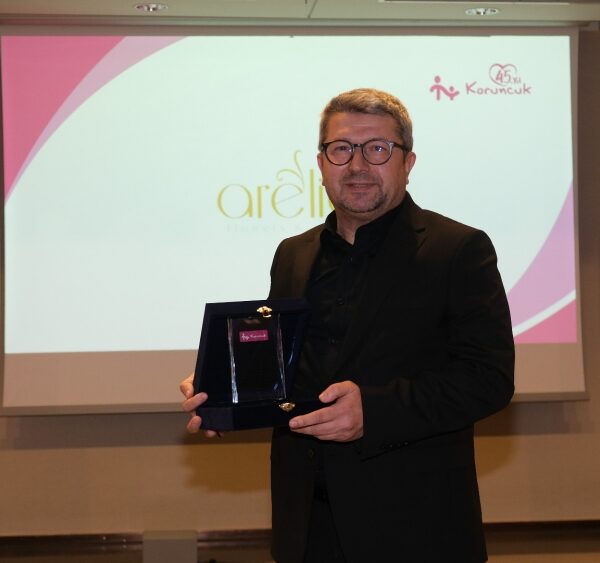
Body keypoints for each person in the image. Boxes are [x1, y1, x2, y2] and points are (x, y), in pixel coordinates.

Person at [181, 88, 515, 563]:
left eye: (377, 148)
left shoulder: (458, 250)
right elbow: (284, 371)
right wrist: (225, 391)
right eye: (341, 149)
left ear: (408, 162)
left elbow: (489, 379)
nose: (357, 165)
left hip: (415, 529)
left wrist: (373, 412)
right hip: (306, 526)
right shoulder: (293, 254)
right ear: (320, 163)